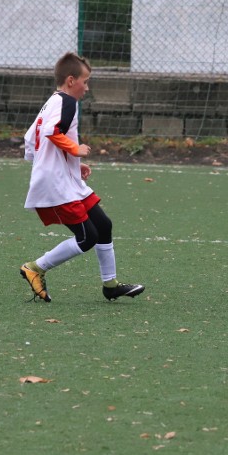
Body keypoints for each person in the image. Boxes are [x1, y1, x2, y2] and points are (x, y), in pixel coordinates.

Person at [19, 52, 144, 303]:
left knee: (104, 225)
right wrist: (74, 151)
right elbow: (51, 131)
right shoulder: (67, 102)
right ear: (70, 80)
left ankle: (110, 285)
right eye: (85, 82)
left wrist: (71, 164)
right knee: (88, 237)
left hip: (64, 179)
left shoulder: (52, 101)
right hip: (57, 184)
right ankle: (35, 267)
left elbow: (31, 139)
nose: (87, 88)